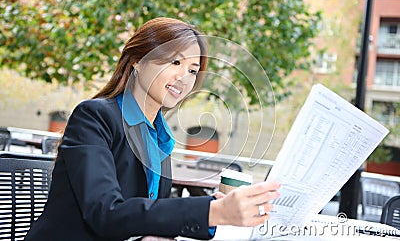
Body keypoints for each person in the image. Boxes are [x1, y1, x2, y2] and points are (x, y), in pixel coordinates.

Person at [24, 17, 281, 241]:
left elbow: (150, 210)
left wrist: (215, 209)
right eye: (174, 62)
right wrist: (212, 211)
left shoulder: (159, 136)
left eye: (192, 70)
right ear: (137, 60)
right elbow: (105, 213)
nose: (184, 77)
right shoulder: (94, 117)